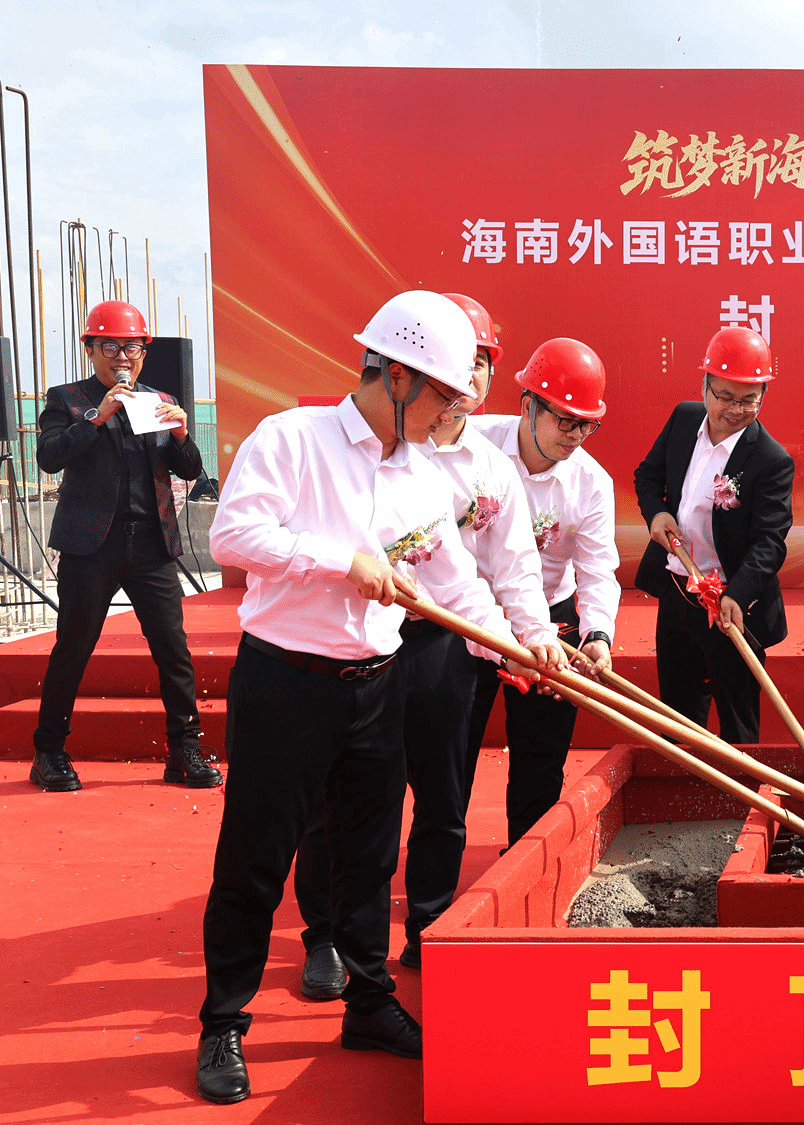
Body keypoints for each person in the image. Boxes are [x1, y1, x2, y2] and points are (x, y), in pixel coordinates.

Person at [197, 291, 557, 1104]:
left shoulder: (421, 475)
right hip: (286, 680)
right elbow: (233, 535)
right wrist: (342, 560)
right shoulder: (292, 438)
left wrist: (520, 644)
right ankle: (224, 1019)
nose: (452, 414)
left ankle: (368, 999)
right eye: (442, 396)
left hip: (375, 685)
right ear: (395, 376)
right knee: (257, 856)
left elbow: (455, 584)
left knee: (368, 854)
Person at [290, 293, 558, 991]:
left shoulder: (490, 467)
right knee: (337, 796)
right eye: (451, 368)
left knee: (443, 793)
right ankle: (325, 935)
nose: (464, 383)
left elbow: (510, 571)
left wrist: (531, 639)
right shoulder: (360, 449)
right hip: (352, 641)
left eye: (479, 366)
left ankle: (430, 926)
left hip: (446, 640)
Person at [30, 300, 216, 792]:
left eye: (132, 347)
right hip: (91, 546)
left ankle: (185, 751)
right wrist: (97, 416)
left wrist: (181, 434)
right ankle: (49, 751)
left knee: (173, 650)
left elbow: (189, 470)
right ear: (90, 349)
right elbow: (48, 457)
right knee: (73, 647)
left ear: (143, 352)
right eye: (110, 346)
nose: (122, 356)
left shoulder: (159, 399)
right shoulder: (68, 399)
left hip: (151, 544)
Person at [465, 337, 621, 845]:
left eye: (587, 424)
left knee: (541, 755)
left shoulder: (591, 482)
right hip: (467, 614)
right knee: (450, 750)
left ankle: (525, 865)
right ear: (527, 405)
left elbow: (597, 569)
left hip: (550, 620)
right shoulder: (473, 446)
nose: (576, 436)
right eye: (565, 420)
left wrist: (598, 635)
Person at [633, 326, 794, 742]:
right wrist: (656, 514)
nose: (735, 409)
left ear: (763, 395)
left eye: (748, 399)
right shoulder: (684, 420)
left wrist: (737, 594)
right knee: (680, 715)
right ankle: (688, 781)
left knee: (738, 722)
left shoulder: (771, 460)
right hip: (678, 587)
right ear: (705, 385)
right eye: (724, 396)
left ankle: (742, 783)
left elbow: (769, 541)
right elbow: (647, 476)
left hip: (731, 604)